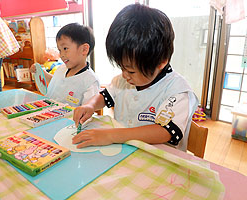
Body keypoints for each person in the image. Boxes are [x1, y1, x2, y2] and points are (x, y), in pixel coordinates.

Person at [73, 4, 198, 150]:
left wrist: (111, 135)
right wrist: (90, 105)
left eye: (131, 71)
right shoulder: (124, 80)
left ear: (161, 62)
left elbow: (165, 132)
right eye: (122, 67)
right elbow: (105, 96)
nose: (125, 75)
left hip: (160, 159)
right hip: (126, 151)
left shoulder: (177, 90)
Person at [30, 23, 100, 107]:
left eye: (65, 49)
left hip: (70, 119)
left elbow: (86, 111)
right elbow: (57, 82)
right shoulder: (62, 69)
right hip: (48, 113)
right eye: (60, 50)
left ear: (84, 49)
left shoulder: (90, 81)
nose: (61, 55)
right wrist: (41, 72)